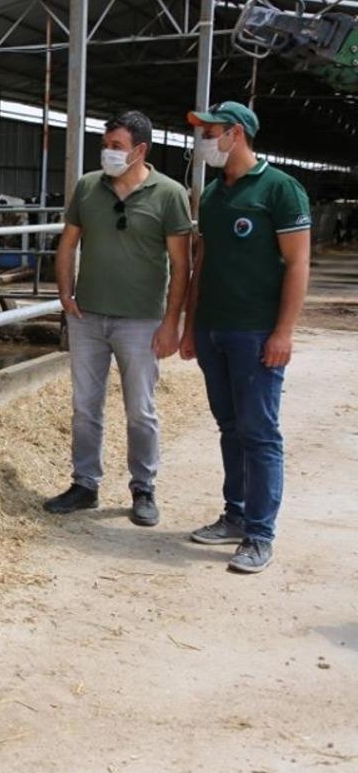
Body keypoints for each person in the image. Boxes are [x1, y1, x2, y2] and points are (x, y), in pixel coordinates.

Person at [180, 101, 311, 574]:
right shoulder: (215, 194)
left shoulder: (280, 189)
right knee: (231, 427)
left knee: (259, 433)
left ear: (236, 134)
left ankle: (259, 534)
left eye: (210, 132)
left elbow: (297, 263)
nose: (203, 142)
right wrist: (191, 326)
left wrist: (284, 331)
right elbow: (202, 264)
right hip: (214, 329)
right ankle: (235, 515)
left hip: (255, 332)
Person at [45, 110, 192, 525]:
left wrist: (171, 321)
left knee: (140, 409)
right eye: (105, 145)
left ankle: (143, 488)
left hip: (142, 321)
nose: (107, 153)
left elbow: (181, 264)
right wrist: (65, 293)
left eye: (116, 146)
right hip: (88, 317)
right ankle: (85, 484)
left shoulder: (169, 194)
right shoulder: (88, 187)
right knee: (84, 406)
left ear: (139, 150)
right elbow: (68, 243)